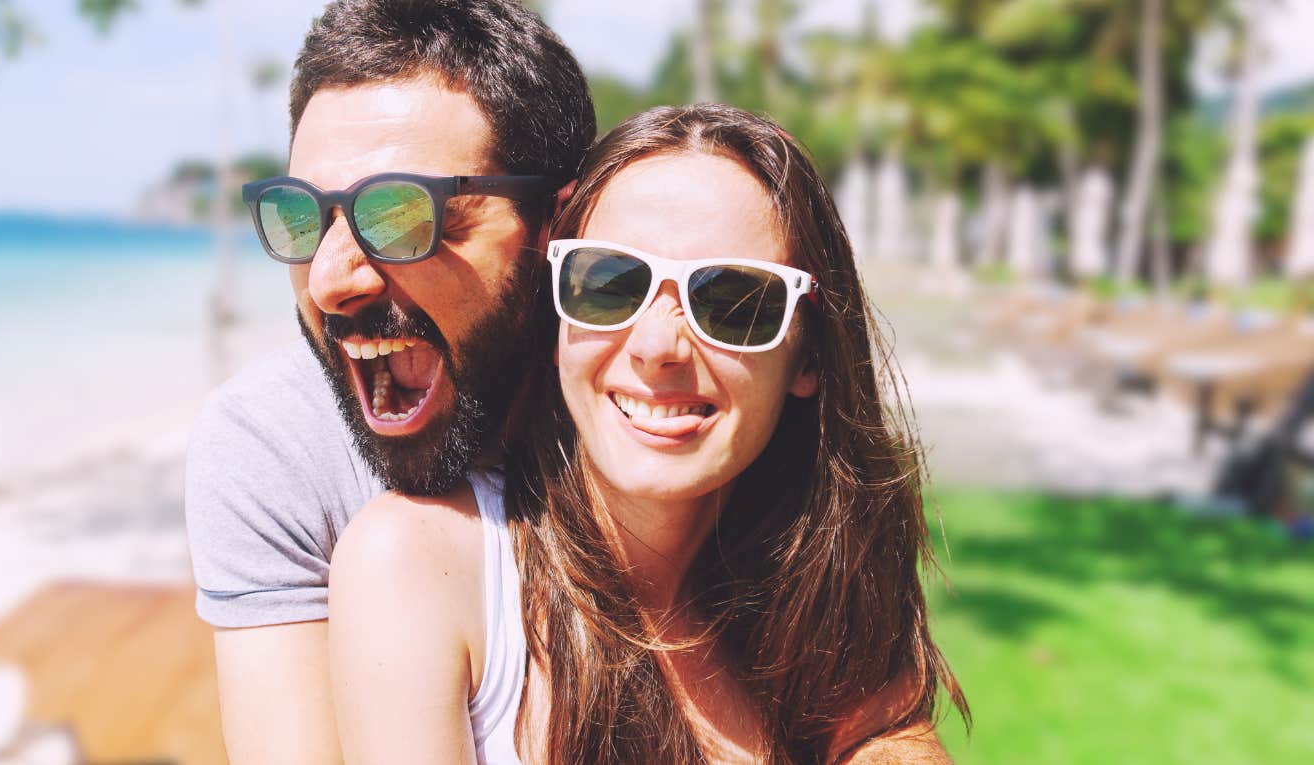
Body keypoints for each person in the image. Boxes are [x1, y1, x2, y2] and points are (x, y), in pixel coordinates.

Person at [329, 104, 969, 764]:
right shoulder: (423, 565)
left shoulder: (814, 568)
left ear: (807, 356)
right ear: (555, 319)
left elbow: (886, 731)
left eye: (732, 301)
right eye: (608, 284)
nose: (658, 345)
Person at [182, 1, 595, 761]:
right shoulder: (273, 445)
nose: (333, 280)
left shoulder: (638, 408)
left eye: (402, 214)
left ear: (554, 228)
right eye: (302, 218)